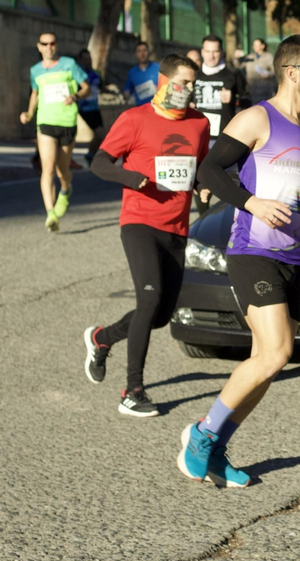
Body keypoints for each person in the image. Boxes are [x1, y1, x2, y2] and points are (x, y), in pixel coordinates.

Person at [180, 35, 300, 488]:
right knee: (278, 352)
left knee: (264, 362)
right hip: (253, 251)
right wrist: (250, 204)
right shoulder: (256, 119)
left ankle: (218, 446)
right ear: (292, 73)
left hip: (293, 257)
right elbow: (209, 171)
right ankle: (201, 435)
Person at [83, 54, 210, 417]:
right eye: (181, 83)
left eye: (192, 84)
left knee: (158, 315)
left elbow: (198, 167)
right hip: (139, 222)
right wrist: (129, 178)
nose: (186, 91)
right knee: (149, 298)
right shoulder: (134, 119)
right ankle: (133, 390)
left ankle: (101, 338)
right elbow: (99, 162)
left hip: (177, 228)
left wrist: (202, 186)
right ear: (163, 81)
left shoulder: (199, 123)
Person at [20, 32, 89, 232]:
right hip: (45, 122)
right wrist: (29, 113)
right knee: (47, 168)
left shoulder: (69, 64)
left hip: (67, 122)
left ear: (56, 46)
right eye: (45, 44)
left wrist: (74, 96)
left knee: (62, 171)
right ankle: (51, 213)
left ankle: (66, 190)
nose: (49, 47)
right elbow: (35, 93)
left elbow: (87, 88)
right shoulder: (35, 71)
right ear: (39, 46)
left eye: (52, 43)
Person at [194, 34, 248, 141]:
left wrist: (234, 99)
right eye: (208, 51)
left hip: (223, 138)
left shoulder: (233, 74)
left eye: (215, 52)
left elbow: (248, 102)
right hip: (198, 136)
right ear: (202, 52)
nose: (211, 56)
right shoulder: (194, 74)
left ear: (222, 52)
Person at [74, 48, 106, 163]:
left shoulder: (96, 73)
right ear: (81, 60)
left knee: (101, 135)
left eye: (89, 59)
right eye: (85, 59)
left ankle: (91, 155)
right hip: (85, 109)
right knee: (100, 133)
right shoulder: (79, 75)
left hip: (95, 107)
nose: (88, 61)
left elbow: (102, 87)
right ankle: (93, 155)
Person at [125, 42, 159, 108]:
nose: (142, 54)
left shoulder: (158, 68)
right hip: (140, 108)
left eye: (144, 50)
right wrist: (128, 96)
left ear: (148, 52)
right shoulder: (132, 72)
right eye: (139, 51)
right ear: (136, 54)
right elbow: (127, 91)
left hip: (156, 107)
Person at [244, 37, 277, 104]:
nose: (255, 47)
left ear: (262, 46)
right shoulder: (250, 57)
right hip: (252, 91)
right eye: (254, 45)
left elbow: (275, 70)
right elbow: (238, 65)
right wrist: (237, 58)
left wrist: (268, 75)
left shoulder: (268, 57)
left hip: (265, 91)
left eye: (257, 45)